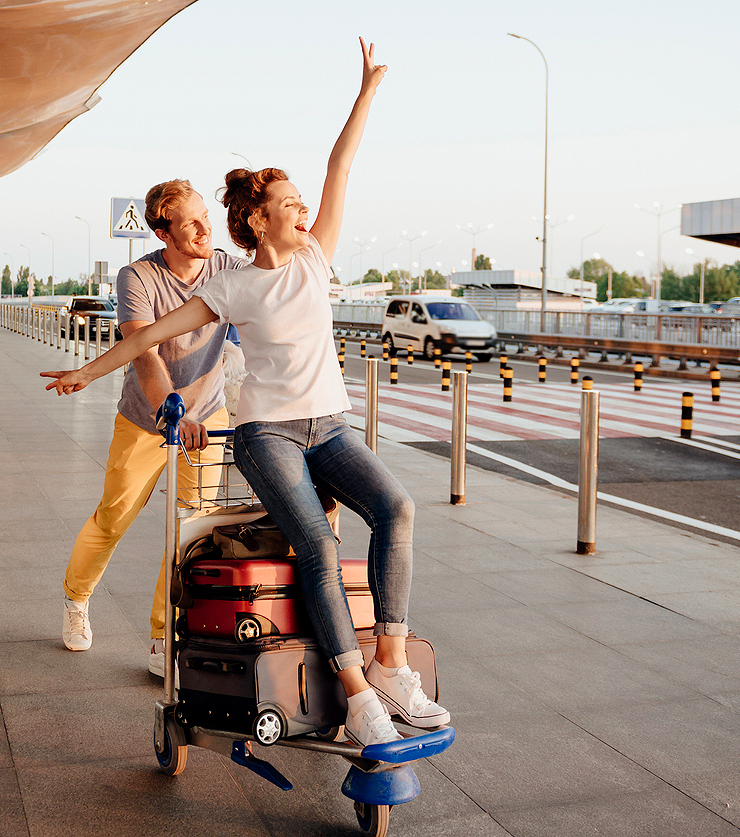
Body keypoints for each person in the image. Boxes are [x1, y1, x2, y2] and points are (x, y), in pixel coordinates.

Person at [43, 39, 448, 747]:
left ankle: (389, 663)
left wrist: (366, 95)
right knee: (309, 544)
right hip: (255, 430)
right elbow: (147, 341)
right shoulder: (223, 283)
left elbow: (340, 164)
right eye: (288, 205)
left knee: (397, 507)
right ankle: (356, 697)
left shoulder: (315, 255)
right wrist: (87, 371)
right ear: (258, 220)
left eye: (300, 204)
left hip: (324, 423)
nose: (302, 211)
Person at [43, 180, 244, 674]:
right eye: (190, 222)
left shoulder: (227, 268)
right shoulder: (139, 277)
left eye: (205, 217)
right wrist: (174, 412)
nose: (204, 228)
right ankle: (76, 597)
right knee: (114, 517)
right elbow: (145, 355)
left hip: (208, 418)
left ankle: (163, 635)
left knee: (190, 529)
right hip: (148, 419)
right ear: (162, 231)